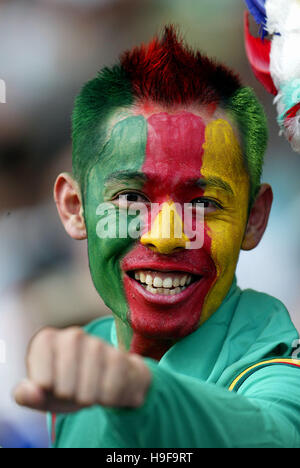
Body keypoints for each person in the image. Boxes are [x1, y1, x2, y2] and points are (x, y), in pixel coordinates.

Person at [14, 26, 300, 448]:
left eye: (203, 204)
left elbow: (275, 432)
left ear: (254, 218)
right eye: (131, 198)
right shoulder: (87, 360)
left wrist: (136, 389)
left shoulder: (279, 372)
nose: (166, 237)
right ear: (74, 208)